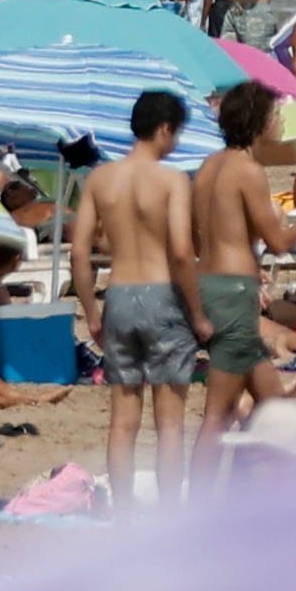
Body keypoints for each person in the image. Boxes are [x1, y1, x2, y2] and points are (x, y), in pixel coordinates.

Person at [73, 84, 205, 503]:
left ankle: (124, 518)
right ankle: (167, 517)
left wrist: (91, 312)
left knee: (122, 421)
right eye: (177, 133)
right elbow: (183, 252)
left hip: (119, 295)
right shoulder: (172, 181)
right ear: (165, 129)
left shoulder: (100, 179)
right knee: (169, 422)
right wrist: (199, 314)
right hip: (162, 293)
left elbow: (79, 251)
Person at [191, 77, 296, 444]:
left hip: (212, 284)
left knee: (274, 406)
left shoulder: (209, 166)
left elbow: (200, 235)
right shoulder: (248, 170)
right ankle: (201, 500)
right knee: (218, 416)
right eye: (276, 114)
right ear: (258, 120)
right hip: (232, 292)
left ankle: (268, 489)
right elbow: (279, 241)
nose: (281, 121)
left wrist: (248, 268)